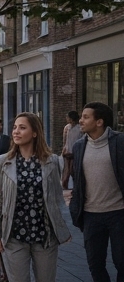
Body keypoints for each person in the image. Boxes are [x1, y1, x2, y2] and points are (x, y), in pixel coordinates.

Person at [0, 112, 71, 282]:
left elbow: (57, 199)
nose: (16, 132)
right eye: (15, 127)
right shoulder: (2, 162)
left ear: (35, 133)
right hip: (13, 235)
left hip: (45, 236)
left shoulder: (52, 161)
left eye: (22, 127)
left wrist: (62, 228)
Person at [67, 101, 124, 282]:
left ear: (99, 122)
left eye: (86, 117)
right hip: (91, 215)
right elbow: (78, 180)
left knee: (121, 262)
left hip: (118, 213)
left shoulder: (120, 142)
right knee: (95, 264)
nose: (81, 121)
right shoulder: (78, 146)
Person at [63, 110, 83, 189]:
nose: (66, 118)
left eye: (68, 117)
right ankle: (65, 185)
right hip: (68, 151)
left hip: (76, 152)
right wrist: (64, 149)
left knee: (73, 170)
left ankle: (76, 185)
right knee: (66, 170)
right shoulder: (67, 127)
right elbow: (65, 140)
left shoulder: (80, 128)